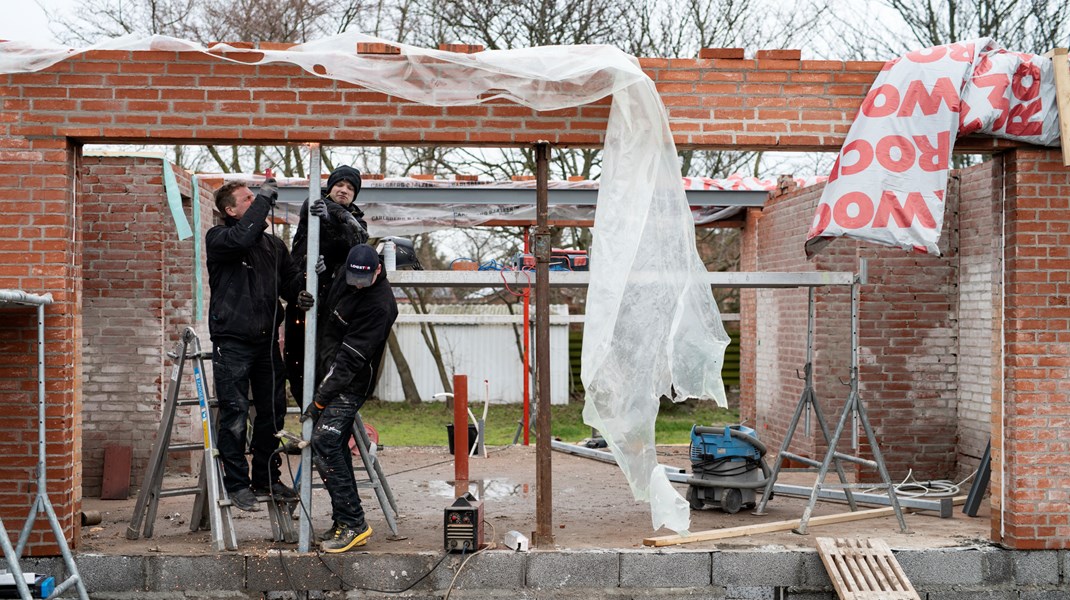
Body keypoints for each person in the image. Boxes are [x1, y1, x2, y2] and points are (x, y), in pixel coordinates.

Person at [206, 178, 315, 511]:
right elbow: (242, 237)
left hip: (266, 344)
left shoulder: (273, 246)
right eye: (248, 199)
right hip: (233, 342)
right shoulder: (221, 238)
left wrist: (305, 288)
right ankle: (237, 483)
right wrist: (265, 198)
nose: (256, 203)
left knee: (272, 414)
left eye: (256, 198)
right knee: (236, 414)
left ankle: (266, 478)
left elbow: (290, 284)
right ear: (230, 210)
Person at [301, 244, 398, 553]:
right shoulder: (348, 273)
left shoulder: (380, 305)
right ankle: (345, 519)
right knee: (331, 444)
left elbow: (350, 360)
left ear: (378, 270)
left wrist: (319, 400)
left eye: (363, 280)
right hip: (329, 369)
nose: (356, 285)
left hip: (351, 380)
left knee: (326, 441)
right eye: (352, 278)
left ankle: (355, 523)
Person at [284, 165, 369, 405]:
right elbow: (297, 260)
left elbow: (359, 239)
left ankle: (325, 431)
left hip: (334, 306)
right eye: (339, 185)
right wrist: (302, 285)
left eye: (350, 188)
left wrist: (335, 217)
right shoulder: (313, 205)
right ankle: (308, 426)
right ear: (330, 187)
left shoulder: (356, 221)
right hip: (303, 300)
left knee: (327, 367)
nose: (344, 190)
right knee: (297, 367)